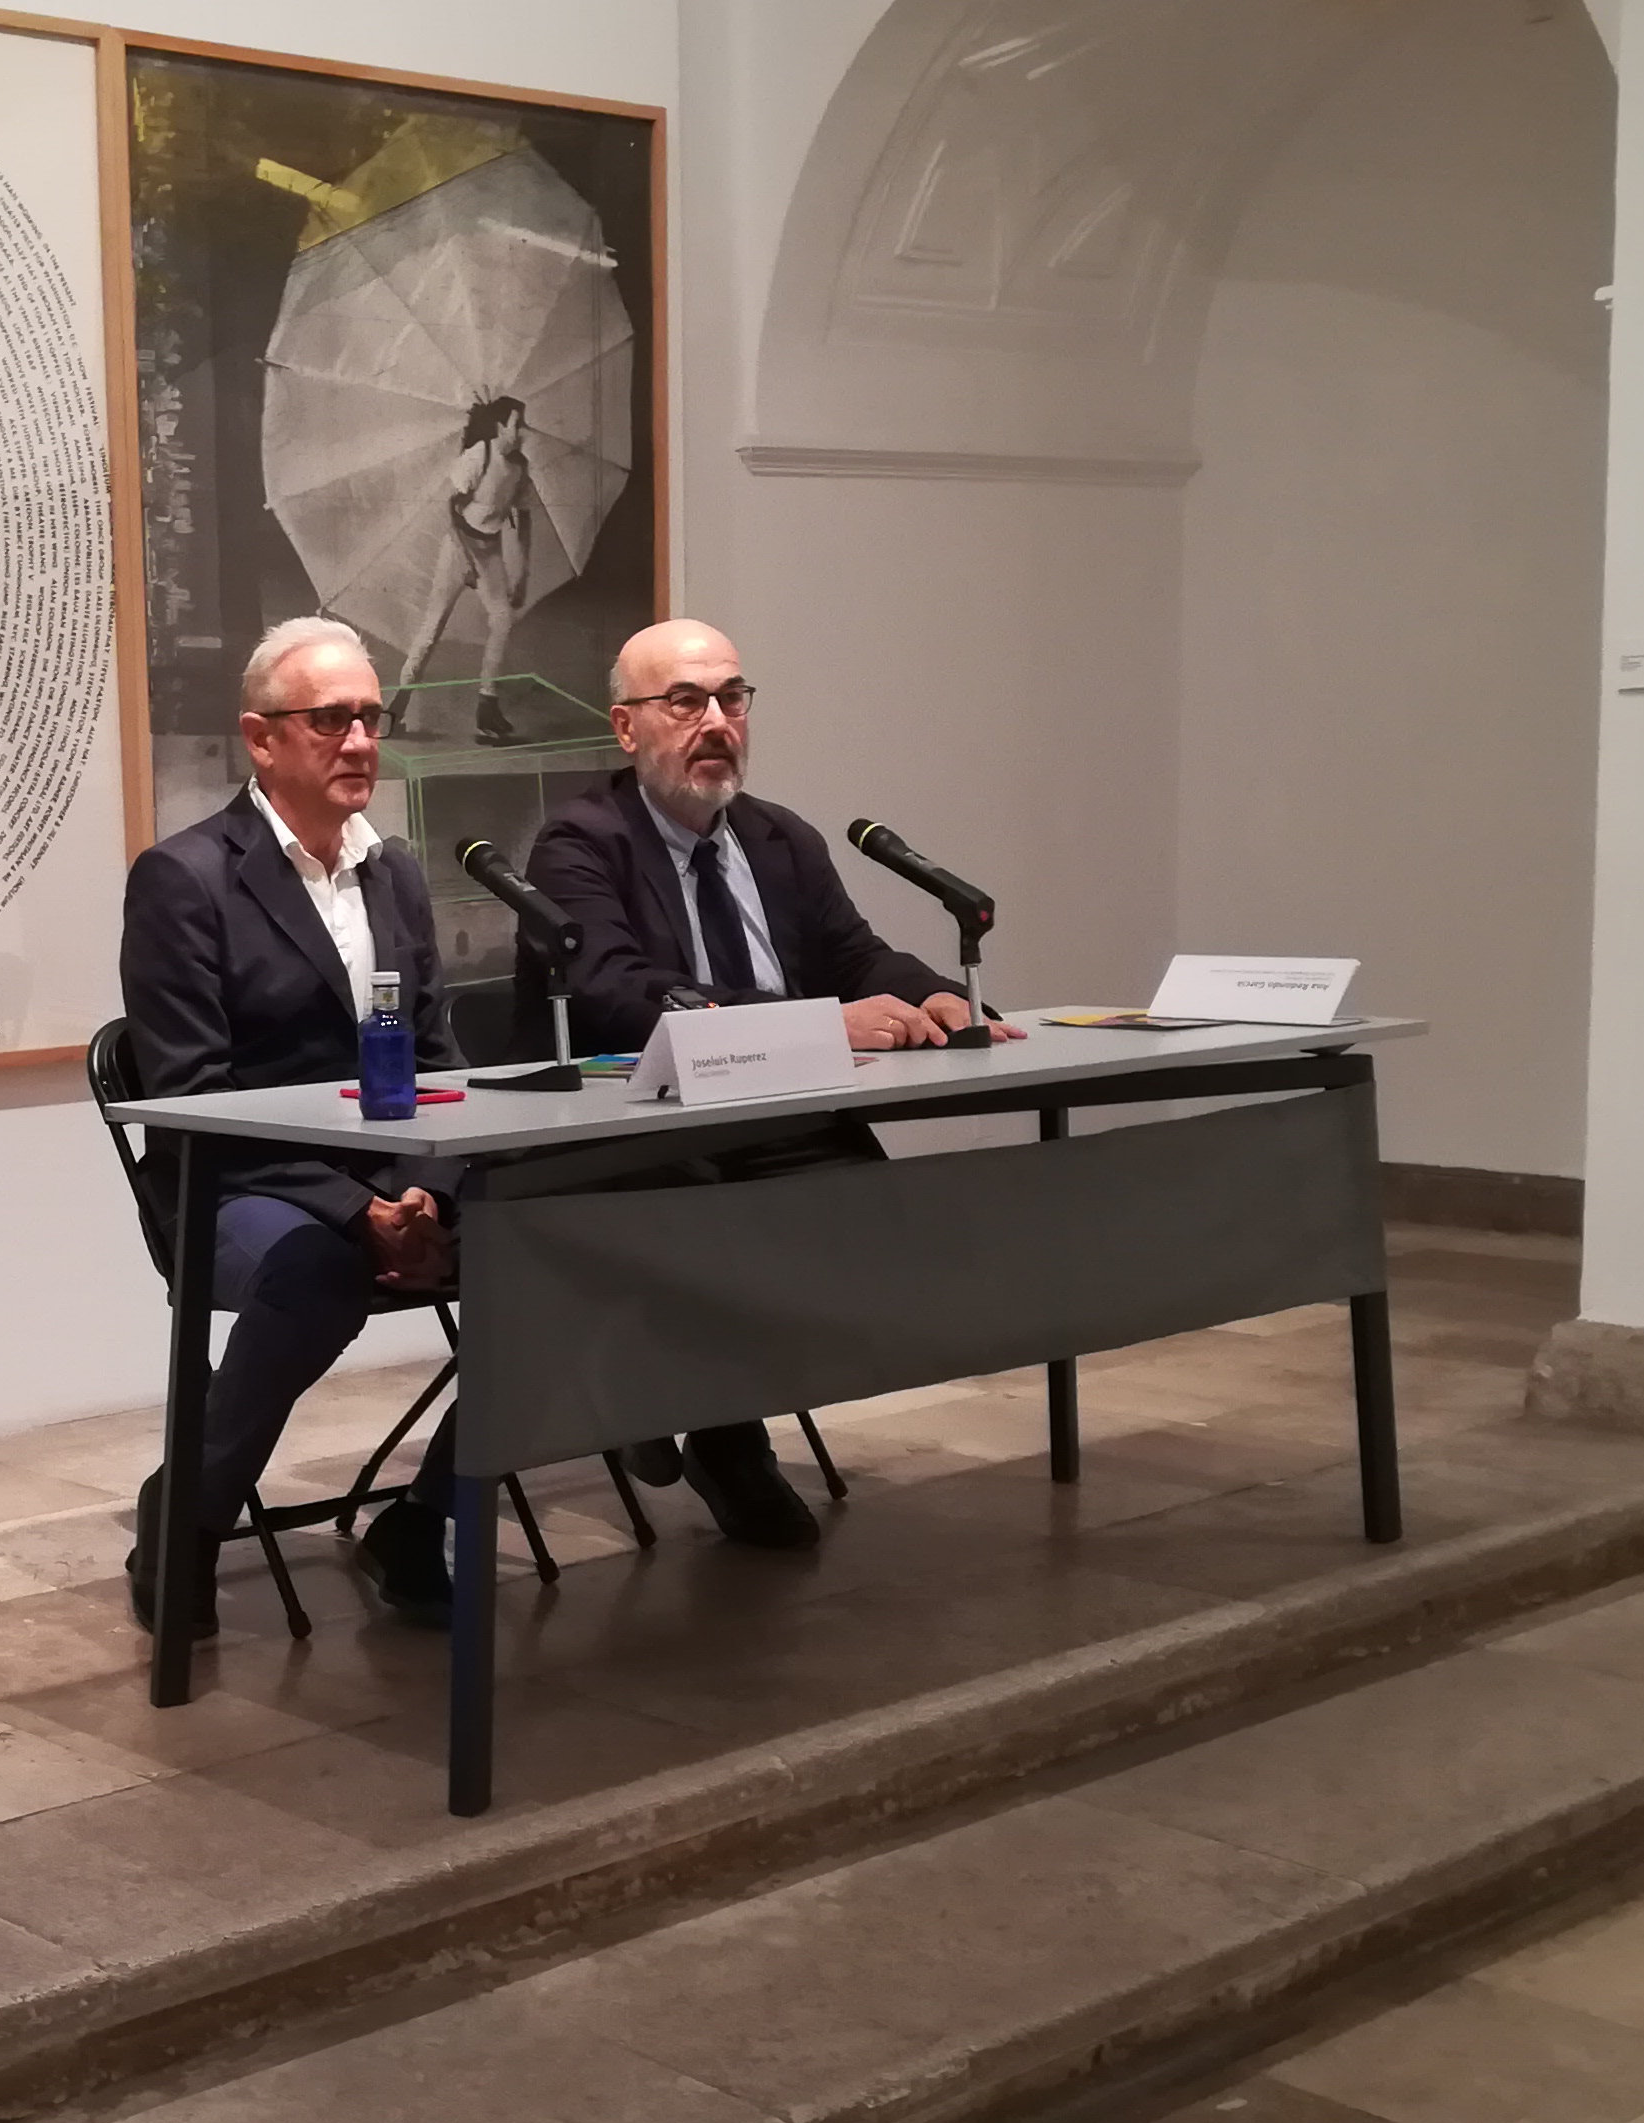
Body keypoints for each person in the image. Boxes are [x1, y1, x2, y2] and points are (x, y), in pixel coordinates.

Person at [520, 615, 1022, 1551]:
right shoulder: (581, 844)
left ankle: (669, 1392)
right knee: (722, 1233)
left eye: (731, 699)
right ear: (626, 728)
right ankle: (721, 1433)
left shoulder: (779, 837)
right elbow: (617, 993)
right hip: (644, 1131)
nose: (716, 722)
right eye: (685, 701)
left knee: (874, 1229)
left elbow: (855, 954)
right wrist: (819, 1022)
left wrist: (938, 995)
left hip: (781, 1119)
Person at [117, 614, 466, 1630]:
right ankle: (186, 1517)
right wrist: (359, 1213)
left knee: (554, 1243)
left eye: (371, 718)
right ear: (261, 739)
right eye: (330, 720)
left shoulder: (394, 872)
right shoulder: (184, 880)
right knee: (317, 1272)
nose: (359, 741)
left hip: (390, 1178)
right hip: (234, 1187)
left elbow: (439, 1061)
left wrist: (426, 1192)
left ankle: (423, 1516)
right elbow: (194, 1098)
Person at [401, 396, 540, 744]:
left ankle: (487, 704)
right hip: (458, 546)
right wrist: (465, 559)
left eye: (523, 425)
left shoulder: (519, 468)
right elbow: (452, 508)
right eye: (516, 424)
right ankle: (397, 704)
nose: (521, 431)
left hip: (489, 552)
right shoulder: (481, 454)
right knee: (433, 625)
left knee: (502, 619)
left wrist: (521, 574)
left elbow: (524, 523)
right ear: (500, 427)